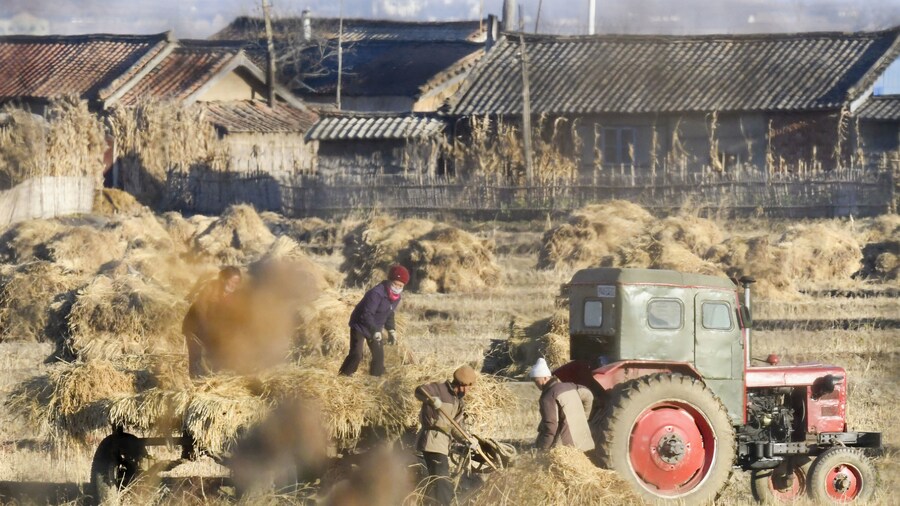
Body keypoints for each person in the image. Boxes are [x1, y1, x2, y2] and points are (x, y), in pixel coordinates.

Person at [414, 365, 478, 506]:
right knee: (443, 484)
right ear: (462, 385)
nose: (469, 390)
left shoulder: (459, 402)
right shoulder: (439, 388)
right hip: (431, 441)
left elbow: (456, 428)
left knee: (436, 484)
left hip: (443, 444)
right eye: (469, 387)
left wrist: (468, 440)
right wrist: (432, 400)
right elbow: (419, 391)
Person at [338, 264, 408, 377]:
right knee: (356, 354)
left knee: (378, 357)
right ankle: (344, 376)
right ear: (389, 281)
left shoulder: (396, 297)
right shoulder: (376, 293)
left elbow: (389, 313)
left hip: (376, 327)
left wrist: (391, 330)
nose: (398, 287)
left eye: (401, 286)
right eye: (395, 284)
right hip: (360, 325)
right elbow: (366, 314)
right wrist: (375, 331)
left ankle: (375, 381)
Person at [182, 266, 244, 378]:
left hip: (210, 331)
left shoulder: (232, 296)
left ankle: (208, 382)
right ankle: (195, 385)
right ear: (224, 279)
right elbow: (201, 310)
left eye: (237, 282)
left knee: (215, 359)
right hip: (194, 327)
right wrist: (209, 331)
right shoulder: (211, 288)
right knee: (196, 358)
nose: (233, 285)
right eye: (232, 281)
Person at [530, 357, 595, 452]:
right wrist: (584, 417)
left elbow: (551, 426)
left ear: (545, 378)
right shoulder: (570, 386)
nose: (536, 384)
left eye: (536, 380)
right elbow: (588, 395)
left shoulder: (548, 396)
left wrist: (543, 449)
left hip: (567, 448)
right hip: (583, 441)